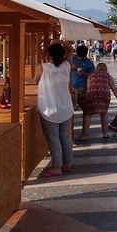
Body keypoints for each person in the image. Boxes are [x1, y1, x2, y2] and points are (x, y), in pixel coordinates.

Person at [35, 43, 76, 177]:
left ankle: (56, 167)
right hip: (65, 108)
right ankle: (67, 164)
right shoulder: (66, 66)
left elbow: (34, 81)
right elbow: (70, 49)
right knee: (65, 136)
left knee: (53, 138)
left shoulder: (42, 68)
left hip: (49, 109)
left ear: (48, 55)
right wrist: (60, 41)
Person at [81, 62, 117, 141]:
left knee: (87, 115)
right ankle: (105, 134)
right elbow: (114, 89)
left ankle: (83, 136)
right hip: (104, 94)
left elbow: (88, 87)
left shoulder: (91, 75)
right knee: (104, 113)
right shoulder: (107, 75)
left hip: (92, 94)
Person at [70, 45, 96, 139]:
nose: (81, 59)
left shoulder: (89, 63)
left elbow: (92, 77)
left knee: (86, 112)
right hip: (71, 88)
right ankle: (71, 133)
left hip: (83, 89)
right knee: (70, 112)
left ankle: (84, 134)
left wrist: (83, 74)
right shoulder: (72, 60)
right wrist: (71, 67)